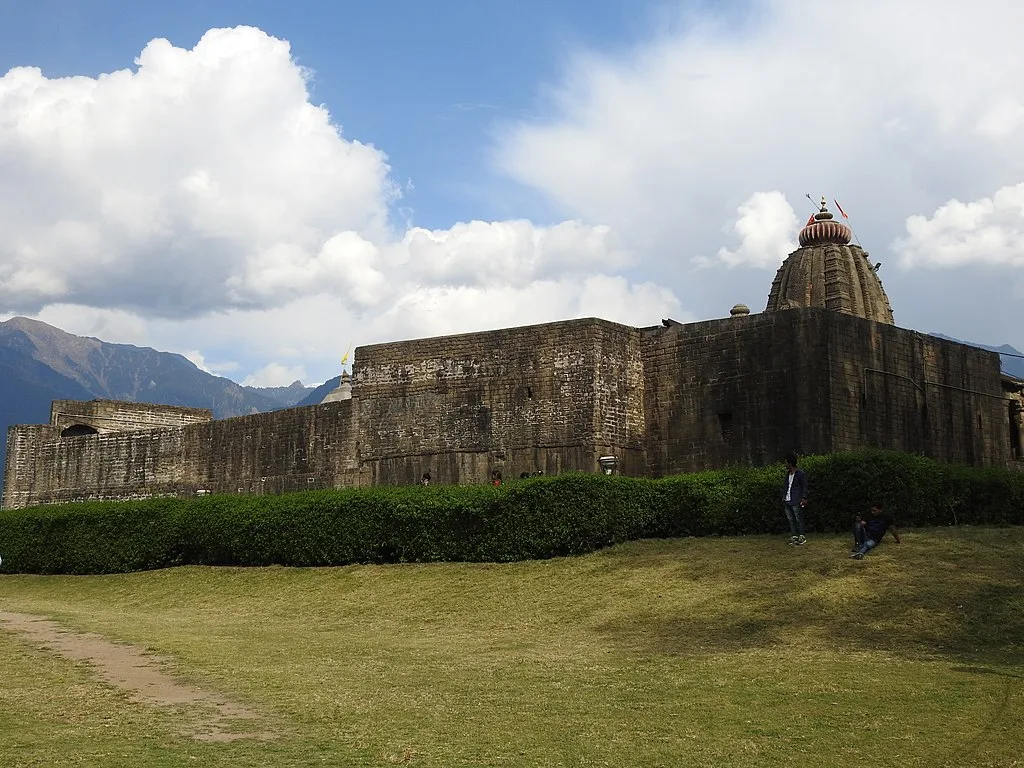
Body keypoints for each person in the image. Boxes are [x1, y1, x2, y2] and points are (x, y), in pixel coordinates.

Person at [782, 453, 808, 545]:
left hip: (796, 499)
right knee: (791, 519)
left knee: (798, 518)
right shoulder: (787, 475)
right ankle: (794, 536)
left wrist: (804, 497)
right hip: (787, 499)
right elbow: (786, 486)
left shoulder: (800, 474)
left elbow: (804, 486)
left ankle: (801, 535)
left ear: (790, 463)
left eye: (786, 463)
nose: (785, 465)